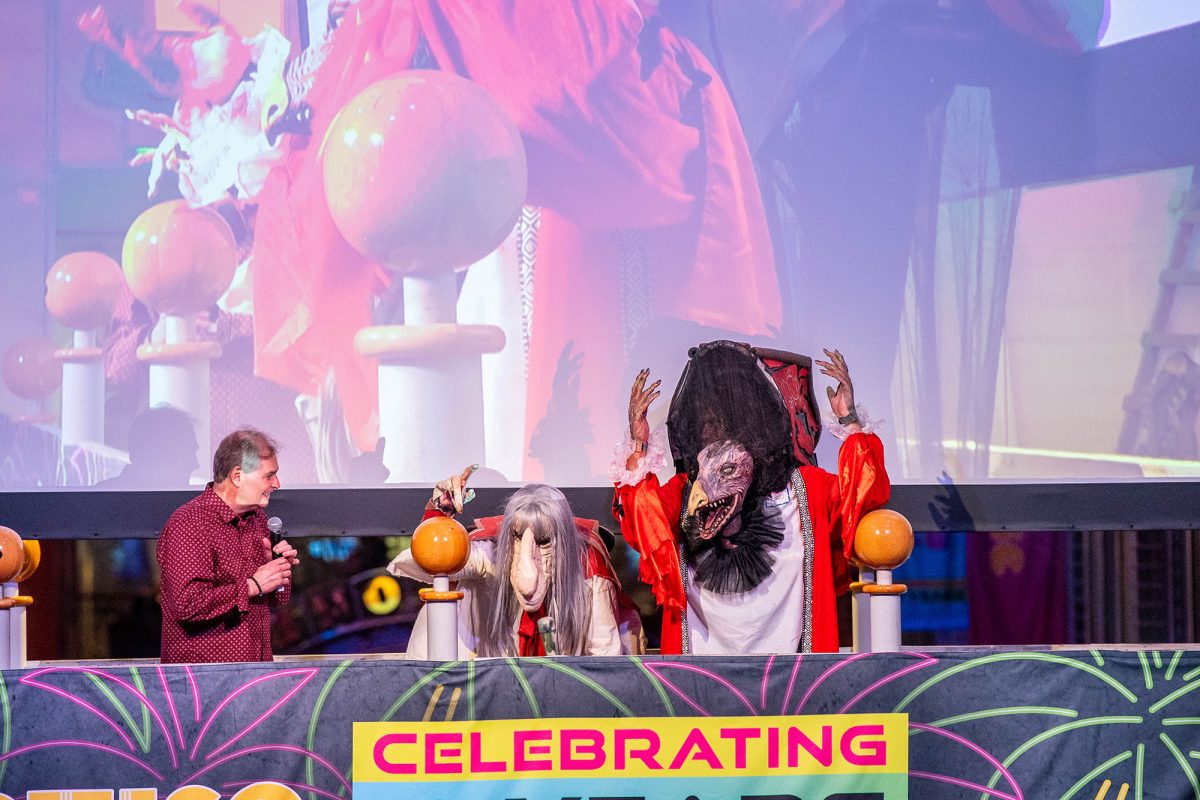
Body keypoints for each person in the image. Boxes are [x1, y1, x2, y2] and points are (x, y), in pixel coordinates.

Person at [612, 342, 889, 655]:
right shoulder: (685, 491)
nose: (723, 423)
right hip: (701, 675)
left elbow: (864, 492)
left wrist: (849, 419)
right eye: (711, 416)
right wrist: (638, 446)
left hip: (791, 674)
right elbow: (643, 525)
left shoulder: (804, 489)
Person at [389, 466, 644, 658]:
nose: (528, 559)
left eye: (544, 541)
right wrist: (439, 516)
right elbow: (428, 561)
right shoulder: (491, 553)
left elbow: (604, 655)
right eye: (518, 537)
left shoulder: (589, 568)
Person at [156, 427, 299, 663]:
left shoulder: (257, 520)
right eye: (269, 476)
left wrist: (276, 571)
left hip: (255, 671)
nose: (277, 483)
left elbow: (277, 600)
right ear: (237, 476)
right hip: (205, 677)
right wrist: (253, 585)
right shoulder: (189, 523)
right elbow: (187, 604)